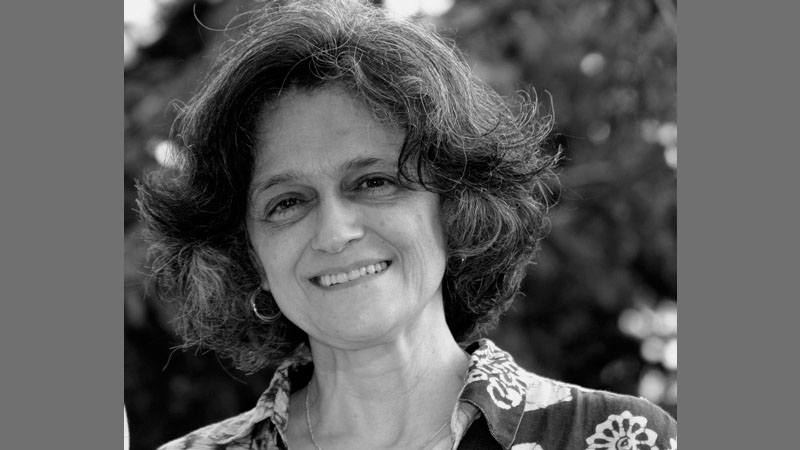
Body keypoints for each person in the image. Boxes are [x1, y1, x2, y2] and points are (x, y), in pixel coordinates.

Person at [137, 0, 678, 449]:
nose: (335, 233)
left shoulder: (620, 438)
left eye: (373, 182)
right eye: (287, 202)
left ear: (455, 206)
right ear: (249, 253)